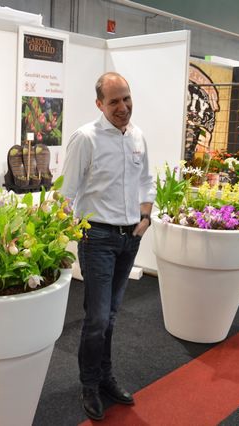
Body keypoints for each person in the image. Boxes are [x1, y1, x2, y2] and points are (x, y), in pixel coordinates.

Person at [61, 72, 155, 421]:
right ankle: (89, 384)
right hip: (97, 238)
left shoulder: (138, 137)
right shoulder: (86, 138)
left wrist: (145, 218)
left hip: (130, 238)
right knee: (98, 318)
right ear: (99, 104)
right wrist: (64, 234)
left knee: (111, 316)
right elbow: (66, 193)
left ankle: (105, 377)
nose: (123, 107)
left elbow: (146, 181)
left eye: (126, 98)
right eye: (114, 101)